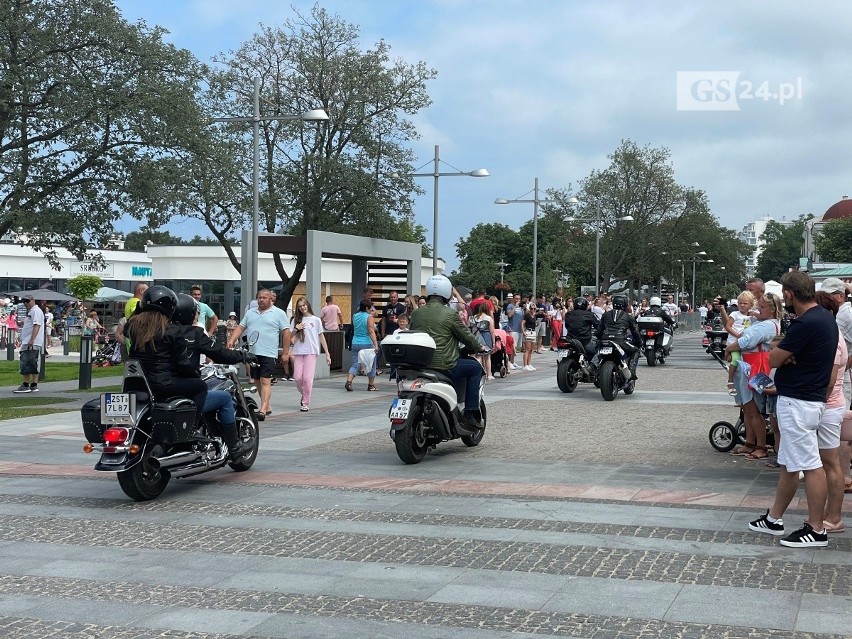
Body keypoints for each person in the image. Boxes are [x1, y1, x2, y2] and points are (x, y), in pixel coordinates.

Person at [748, 271, 838, 548]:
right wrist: (788, 356)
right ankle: (774, 518)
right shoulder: (824, 317)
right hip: (809, 398)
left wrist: (784, 356)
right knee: (788, 462)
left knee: (811, 466)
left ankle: (816, 528)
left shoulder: (804, 323)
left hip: (798, 401)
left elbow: (773, 359)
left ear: (788, 294)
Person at [172, 294, 256, 460]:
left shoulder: (161, 332)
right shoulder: (194, 333)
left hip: (160, 389)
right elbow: (219, 353)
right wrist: (242, 356)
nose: (197, 315)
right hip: (183, 389)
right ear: (188, 314)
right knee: (224, 398)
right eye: (195, 312)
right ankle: (234, 447)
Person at [124, 286, 207, 427]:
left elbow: (127, 326)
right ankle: (192, 425)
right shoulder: (171, 331)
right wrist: (195, 373)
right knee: (200, 386)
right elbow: (182, 363)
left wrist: (140, 307)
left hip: (136, 384)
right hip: (161, 385)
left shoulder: (133, 326)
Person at [409, 275, 486, 428]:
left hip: (419, 365)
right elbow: (466, 336)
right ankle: (470, 414)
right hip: (444, 365)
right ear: (446, 293)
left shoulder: (416, 313)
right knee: (476, 368)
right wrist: (478, 347)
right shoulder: (450, 314)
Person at [724, 291, 782, 459]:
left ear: (771, 309)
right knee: (748, 408)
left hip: (754, 365)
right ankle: (750, 443)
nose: (758, 309)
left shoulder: (766, 325)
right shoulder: (768, 321)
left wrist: (728, 348)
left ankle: (760, 446)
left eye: (762, 307)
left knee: (753, 408)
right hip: (750, 363)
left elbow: (745, 341)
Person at [226, 289, 291, 418]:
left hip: (269, 352)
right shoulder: (251, 312)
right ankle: (266, 405)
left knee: (265, 380)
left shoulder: (278, 313)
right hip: (253, 352)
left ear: (270, 299)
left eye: (264, 298)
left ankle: (262, 410)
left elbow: (286, 332)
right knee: (257, 380)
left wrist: (285, 352)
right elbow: (241, 327)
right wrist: (232, 340)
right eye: (259, 298)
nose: (261, 300)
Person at [290, 297, 331, 411]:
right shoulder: (295, 320)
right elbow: (290, 338)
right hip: (298, 351)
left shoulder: (316, 320)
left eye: (304, 305)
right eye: (299, 306)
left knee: (307, 379)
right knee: (298, 378)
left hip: (312, 351)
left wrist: (327, 353)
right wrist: (296, 329)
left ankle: (305, 402)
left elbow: (321, 336)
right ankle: (305, 394)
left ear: (307, 305)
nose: (302, 307)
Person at [596, 294, 641, 380]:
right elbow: (634, 331)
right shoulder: (628, 316)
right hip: (620, 341)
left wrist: (598, 338)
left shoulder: (605, 315)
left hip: (605, 340)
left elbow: (600, 330)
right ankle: (631, 369)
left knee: (596, 352)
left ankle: (597, 368)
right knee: (636, 350)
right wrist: (639, 342)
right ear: (624, 304)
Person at [722, 291, 755, 395]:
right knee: (736, 359)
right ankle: (730, 380)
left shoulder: (752, 316)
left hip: (746, 344)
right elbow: (728, 326)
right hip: (734, 343)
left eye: (745, 303)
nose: (742, 305)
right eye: (740, 303)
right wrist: (737, 335)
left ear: (751, 304)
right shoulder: (735, 314)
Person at [345, 299, 379, 392]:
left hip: (355, 342)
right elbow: (371, 331)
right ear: (367, 308)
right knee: (371, 364)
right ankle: (371, 385)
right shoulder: (369, 317)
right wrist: (376, 345)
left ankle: (349, 382)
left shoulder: (355, 316)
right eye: (370, 308)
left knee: (356, 364)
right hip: (367, 343)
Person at [12, 295, 44, 393]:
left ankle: (26, 384)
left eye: (27, 301)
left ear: (33, 300)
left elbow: (37, 325)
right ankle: (33, 385)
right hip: (32, 340)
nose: (25, 303)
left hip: (31, 341)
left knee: (26, 361)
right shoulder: (32, 311)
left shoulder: (35, 311)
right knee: (33, 362)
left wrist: (31, 339)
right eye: (24, 301)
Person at [471, 301, 495, 379]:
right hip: (486, 338)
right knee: (487, 357)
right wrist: (493, 342)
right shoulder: (489, 318)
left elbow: (469, 329)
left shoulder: (472, 318)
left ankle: (479, 374)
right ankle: (489, 375)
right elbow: (492, 331)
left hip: (475, 337)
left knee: (477, 356)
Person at [505, 293, 523, 370]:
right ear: (513, 299)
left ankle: (513, 361)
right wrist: (515, 306)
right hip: (513, 329)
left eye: (519, 299)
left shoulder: (521, 307)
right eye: (516, 299)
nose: (518, 300)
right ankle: (509, 362)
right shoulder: (510, 306)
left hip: (519, 329)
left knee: (516, 347)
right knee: (512, 347)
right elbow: (509, 315)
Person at [521, 302, 537, 370]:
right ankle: (525, 365)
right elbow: (522, 323)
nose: (533, 310)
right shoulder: (527, 315)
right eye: (531, 308)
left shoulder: (534, 315)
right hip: (528, 331)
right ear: (529, 308)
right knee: (527, 349)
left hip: (533, 332)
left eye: (534, 308)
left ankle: (529, 363)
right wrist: (523, 331)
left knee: (531, 349)